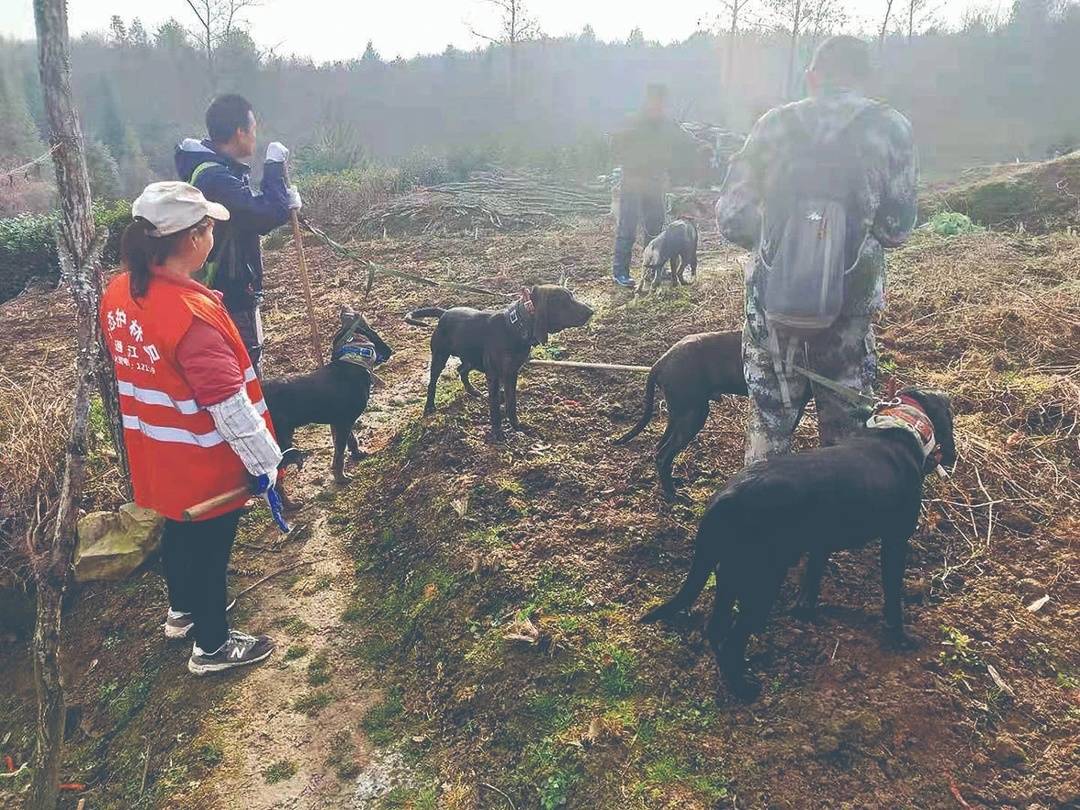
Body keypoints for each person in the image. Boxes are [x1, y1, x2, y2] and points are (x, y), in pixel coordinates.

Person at [101, 181, 283, 675]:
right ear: (191, 239)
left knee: (178, 530)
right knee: (209, 551)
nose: (212, 236)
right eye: (208, 228)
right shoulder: (191, 316)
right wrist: (266, 465)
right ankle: (213, 646)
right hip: (204, 460)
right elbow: (228, 405)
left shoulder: (119, 293)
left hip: (156, 451)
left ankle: (183, 611)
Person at [716, 35, 918, 465]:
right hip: (848, 311)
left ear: (811, 77)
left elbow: (732, 217)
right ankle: (841, 506)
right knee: (849, 440)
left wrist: (784, 250)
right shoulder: (891, 127)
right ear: (866, 79)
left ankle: (761, 501)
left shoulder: (772, 125)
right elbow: (897, 229)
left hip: (771, 308)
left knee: (769, 428)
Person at [175, 93, 301, 369]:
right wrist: (274, 169)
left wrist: (281, 200)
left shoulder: (212, 170)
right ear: (240, 132)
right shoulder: (215, 177)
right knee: (245, 367)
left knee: (238, 363)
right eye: (253, 129)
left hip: (223, 288)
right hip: (231, 293)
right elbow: (261, 215)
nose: (255, 136)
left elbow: (248, 210)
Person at [611, 83, 693, 287]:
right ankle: (620, 272)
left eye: (662, 102)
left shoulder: (667, 124)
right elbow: (616, 146)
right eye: (656, 101)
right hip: (632, 183)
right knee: (627, 228)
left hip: (654, 183)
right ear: (648, 100)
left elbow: (685, 140)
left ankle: (653, 268)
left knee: (655, 228)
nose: (659, 105)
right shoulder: (633, 122)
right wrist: (632, 164)